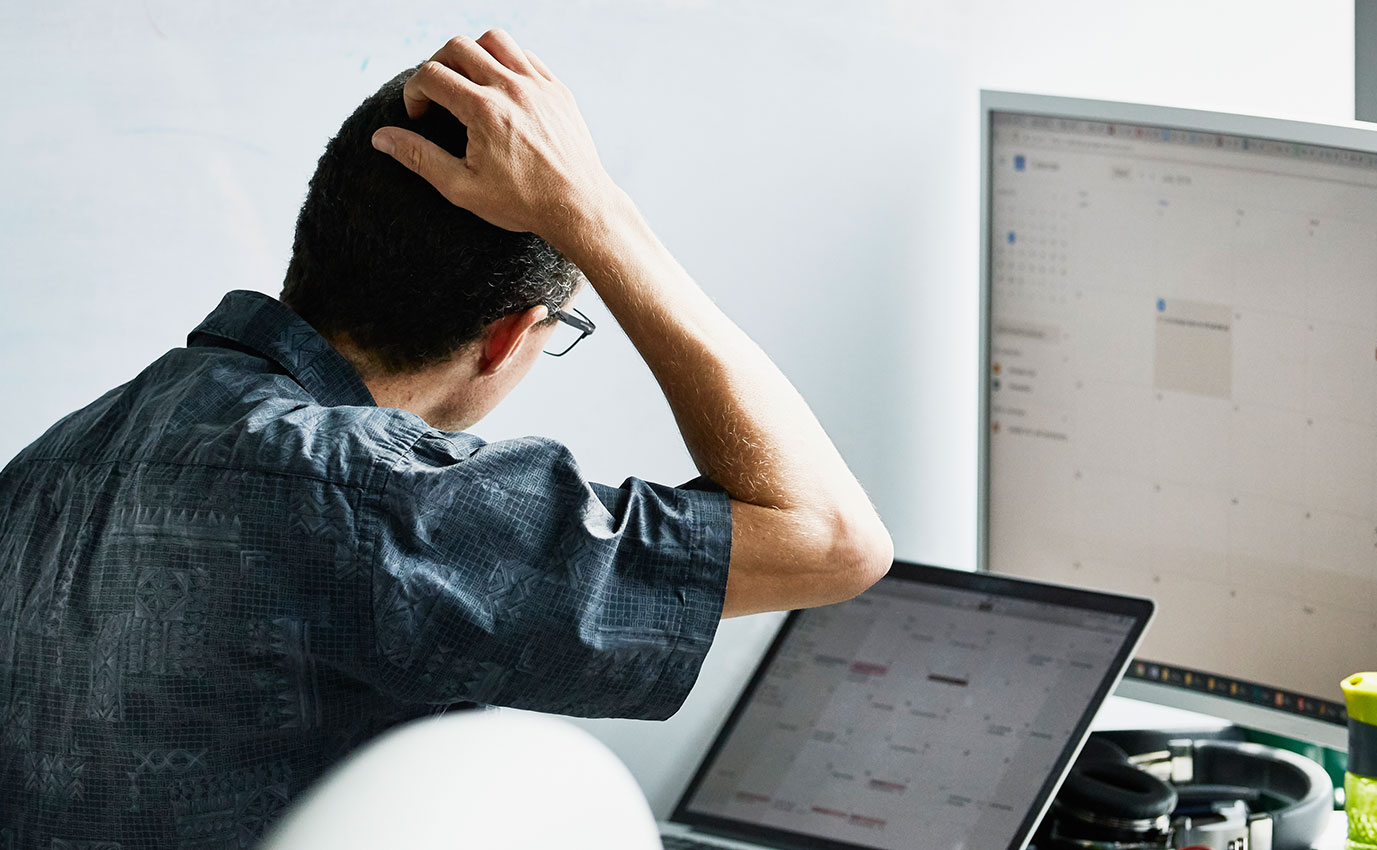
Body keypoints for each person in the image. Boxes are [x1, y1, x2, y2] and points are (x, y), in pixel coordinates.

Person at [0, 30, 891, 847]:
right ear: (508, 336)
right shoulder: (370, 502)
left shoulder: (55, 461)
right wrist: (599, 217)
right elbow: (832, 540)